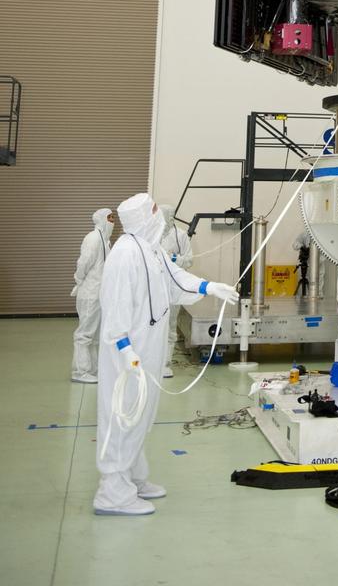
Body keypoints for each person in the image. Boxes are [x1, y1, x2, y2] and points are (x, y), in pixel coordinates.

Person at [94, 192, 238, 517]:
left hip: (150, 346)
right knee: (122, 417)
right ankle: (112, 493)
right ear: (144, 217)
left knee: (142, 416)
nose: (161, 217)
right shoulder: (124, 254)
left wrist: (208, 287)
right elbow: (114, 307)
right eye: (156, 211)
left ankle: (133, 477)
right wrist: (124, 349)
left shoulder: (151, 250)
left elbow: (175, 282)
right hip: (128, 351)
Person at [70, 208, 115, 383]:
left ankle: (93, 369)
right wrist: (79, 281)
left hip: (99, 294)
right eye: (109, 218)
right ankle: (79, 372)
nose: (113, 221)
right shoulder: (93, 238)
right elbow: (83, 264)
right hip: (90, 293)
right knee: (85, 334)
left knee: (95, 335)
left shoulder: (105, 240)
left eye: (113, 218)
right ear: (101, 219)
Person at [158, 204, 193, 378]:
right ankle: (151, 360)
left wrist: (174, 258)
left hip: (172, 287)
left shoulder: (181, 236)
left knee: (170, 327)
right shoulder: (152, 234)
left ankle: (165, 364)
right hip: (154, 287)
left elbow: (189, 260)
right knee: (152, 325)